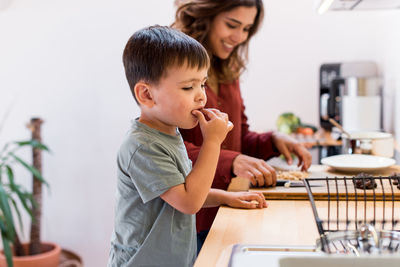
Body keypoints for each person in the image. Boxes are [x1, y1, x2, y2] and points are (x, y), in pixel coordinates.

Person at [108, 25, 267, 266]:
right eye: (188, 87)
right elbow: (189, 201)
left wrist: (225, 197)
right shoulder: (143, 146)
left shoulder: (168, 134)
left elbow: (180, 190)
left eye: (202, 84)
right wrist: (213, 142)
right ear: (147, 95)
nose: (201, 96)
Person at [172, 0, 313, 249]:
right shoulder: (174, 64)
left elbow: (238, 136)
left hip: (224, 213)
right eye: (232, 25)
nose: (239, 37)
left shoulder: (228, 68)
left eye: (247, 29)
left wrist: (273, 140)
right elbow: (165, 147)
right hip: (186, 221)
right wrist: (231, 159)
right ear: (207, 16)